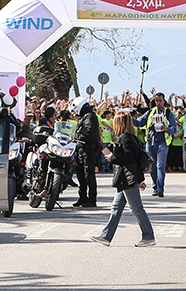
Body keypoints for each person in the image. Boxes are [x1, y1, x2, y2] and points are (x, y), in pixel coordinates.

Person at [91, 112, 155, 248]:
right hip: (127, 178)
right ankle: (106, 236)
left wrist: (112, 157)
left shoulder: (125, 138)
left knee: (136, 208)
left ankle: (148, 236)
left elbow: (127, 157)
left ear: (119, 123)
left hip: (127, 178)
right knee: (116, 207)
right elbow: (136, 159)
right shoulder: (132, 138)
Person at [134, 92, 177, 197]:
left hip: (162, 142)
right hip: (150, 142)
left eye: (160, 101)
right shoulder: (150, 112)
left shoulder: (168, 113)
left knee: (160, 166)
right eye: (156, 101)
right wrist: (128, 118)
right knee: (152, 166)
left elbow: (174, 129)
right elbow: (140, 122)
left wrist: (167, 129)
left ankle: (160, 188)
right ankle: (155, 186)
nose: (158, 103)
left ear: (164, 101)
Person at [71, 98, 100, 207]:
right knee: (81, 174)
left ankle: (92, 199)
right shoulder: (85, 116)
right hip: (82, 149)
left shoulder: (89, 116)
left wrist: (80, 138)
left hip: (89, 149)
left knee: (88, 174)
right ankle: (83, 197)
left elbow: (87, 130)